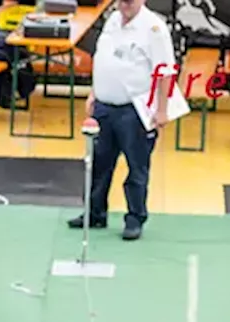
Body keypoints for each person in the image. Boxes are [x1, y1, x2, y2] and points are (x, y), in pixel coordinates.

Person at [69, 0, 175, 240]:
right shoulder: (112, 20)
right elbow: (104, 61)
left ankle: (135, 218)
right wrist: (94, 93)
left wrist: (162, 110)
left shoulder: (154, 28)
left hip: (135, 110)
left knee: (136, 168)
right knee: (98, 164)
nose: (124, 5)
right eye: (121, 1)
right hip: (104, 107)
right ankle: (95, 213)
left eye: (129, 1)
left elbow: (165, 70)